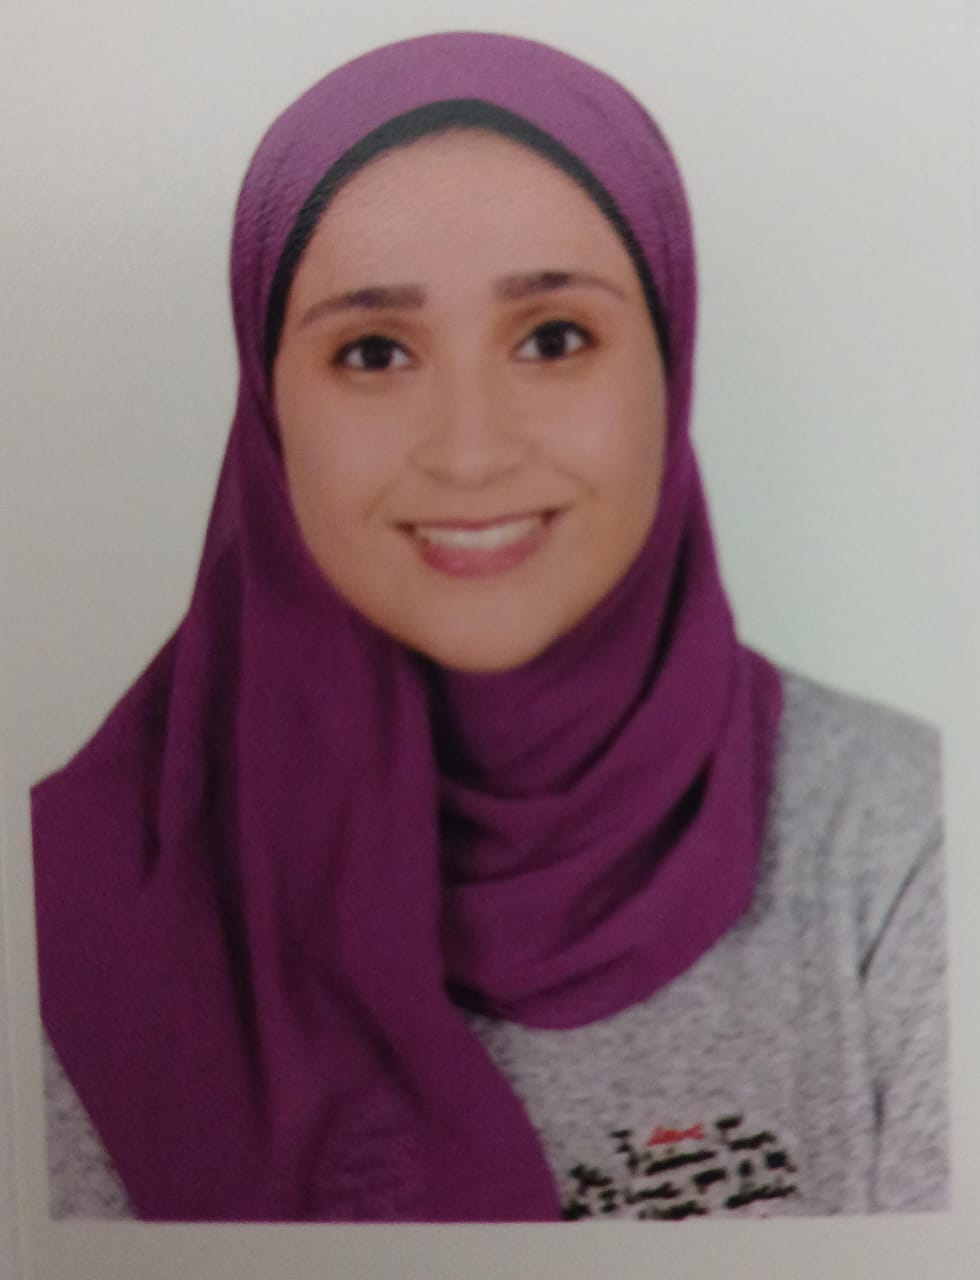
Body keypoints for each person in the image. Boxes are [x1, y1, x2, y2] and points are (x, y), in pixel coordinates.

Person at [31, 31, 947, 1222]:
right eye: (374, 351)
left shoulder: (901, 845)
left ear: (668, 362)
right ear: (267, 409)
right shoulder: (74, 903)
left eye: (552, 339)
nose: (468, 450)